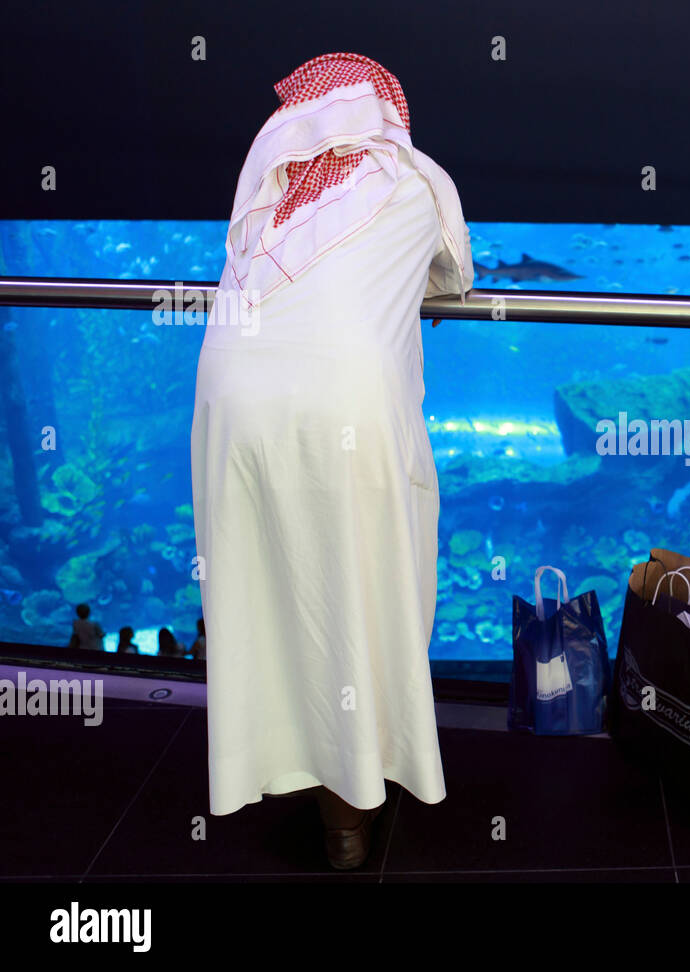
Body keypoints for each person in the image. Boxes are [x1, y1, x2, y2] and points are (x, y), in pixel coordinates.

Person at [191, 53, 472, 870]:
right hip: (340, 413)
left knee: (267, 603)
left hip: (229, 411)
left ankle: (275, 764)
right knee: (357, 592)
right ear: (387, 113)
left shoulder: (270, 193)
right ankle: (349, 815)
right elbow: (452, 272)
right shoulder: (416, 183)